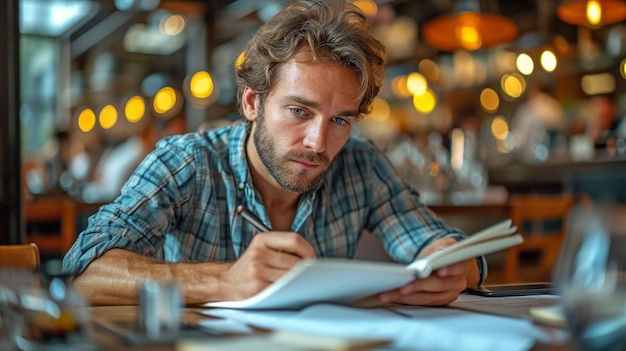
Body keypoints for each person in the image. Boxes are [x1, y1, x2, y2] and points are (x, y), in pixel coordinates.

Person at [62, 0, 484, 307]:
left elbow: (457, 253)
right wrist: (224, 281)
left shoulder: (361, 165)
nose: (319, 143)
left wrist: (452, 269)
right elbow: (82, 272)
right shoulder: (186, 162)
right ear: (252, 103)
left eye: (341, 120)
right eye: (299, 111)